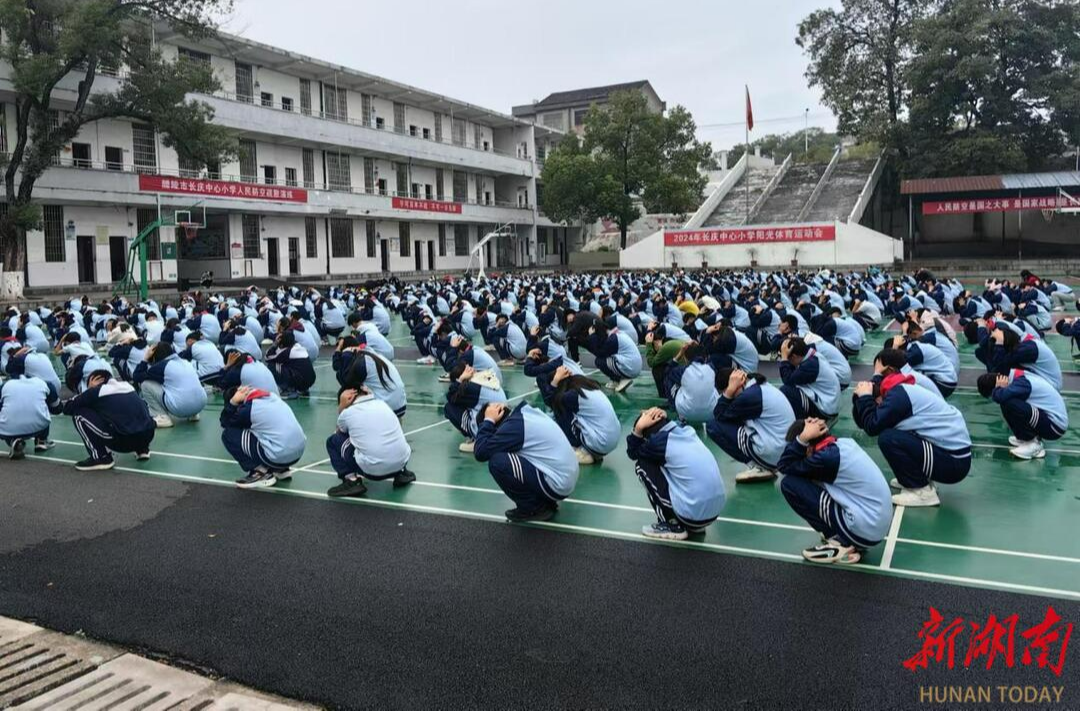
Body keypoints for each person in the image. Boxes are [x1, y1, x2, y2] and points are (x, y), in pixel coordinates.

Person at [776, 418, 892, 564]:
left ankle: (841, 542)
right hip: (874, 525)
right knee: (809, 479)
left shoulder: (826, 459)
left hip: (864, 528)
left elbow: (784, 466)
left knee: (790, 484)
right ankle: (846, 538)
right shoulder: (839, 445)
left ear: (808, 448)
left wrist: (802, 438)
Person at [852, 373, 971, 507]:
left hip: (954, 462)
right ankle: (917, 479)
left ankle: (922, 492)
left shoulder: (897, 397)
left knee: (888, 438)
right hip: (953, 457)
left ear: (878, 401)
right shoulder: (898, 390)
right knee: (895, 434)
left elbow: (872, 426)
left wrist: (864, 397)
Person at [626, 407, 726, 541]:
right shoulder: (687, 431)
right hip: (714, 512)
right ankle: (693, 524)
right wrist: (662, 416)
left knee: (641, 465)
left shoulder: (659, 442)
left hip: (694, 514)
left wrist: (638, 429)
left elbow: (633, 452)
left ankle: (671, 524)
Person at [473, 401, 579, 523]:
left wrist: (488, 420)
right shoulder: (524, 414)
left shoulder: (514, 426)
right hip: (563, 478)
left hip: (558, 484)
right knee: (513, 456)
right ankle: (544, 503)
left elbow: (480, 452)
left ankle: (533, 508)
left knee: (498, 462)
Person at [707, 367, 796, 483]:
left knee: (713, 426)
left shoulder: (749, 396)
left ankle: (758, 466)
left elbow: (719, 415)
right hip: (783, 449)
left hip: (773, 453)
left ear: (736, 384)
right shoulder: (758, 387)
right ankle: (761, 463)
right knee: (733, 419)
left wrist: (729, 392)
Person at [325, 387, 415, 497]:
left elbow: (339, 432)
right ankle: (401, 473)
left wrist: (342, 408)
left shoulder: (348, 412)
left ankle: (351, 481)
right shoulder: (382, 404)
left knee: (333, 441)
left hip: (374, 471)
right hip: (401, 462)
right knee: (384, 433)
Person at [61, 369, 156, 470]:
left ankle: (101, 457)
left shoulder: (97, 391)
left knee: (78, 415)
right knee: (129, 411)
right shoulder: (128, 386)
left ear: (95, 380)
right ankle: (142, 450)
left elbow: (67, 408)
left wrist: (89, 390)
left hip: (123, 442)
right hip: (148, 435)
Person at [220, 385, 307, 489]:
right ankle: (281, 469)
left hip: (280, 455)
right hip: (297, 453)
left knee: (228, 435)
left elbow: (225, 422)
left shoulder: (248, 409)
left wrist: (233, 402)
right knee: (263, 429)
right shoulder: (271, 396)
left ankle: (260, 473)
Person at [976, 370, 1068, 460]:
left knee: (1007, 401)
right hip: (1048, 420)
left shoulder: (1022, 383)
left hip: (1054, 426)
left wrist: (998, 389)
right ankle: (1025, 438)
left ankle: (1033, 444)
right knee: (1006, 400)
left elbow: (1000, 396)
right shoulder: (1017, 378)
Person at [544, 366, 621, 465]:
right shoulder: (587, 386)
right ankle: (591, 450)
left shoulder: (572, 395)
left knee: (560, 410)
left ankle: (581, 451)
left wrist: (554, 383)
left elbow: (551, 401)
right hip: (611, 439)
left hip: (602, 442)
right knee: (567, 411)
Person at [131, 342, 208, 428]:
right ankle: (193, 414)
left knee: (145, 384)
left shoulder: (161, 366)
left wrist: (145, 359)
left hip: (181, 407)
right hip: (201, 404)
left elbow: (136, 376)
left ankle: (162, 417)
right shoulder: (185, 362)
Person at [444, 362, 507, 452]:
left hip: (490, 429)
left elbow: (450, 397)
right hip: (503, 428)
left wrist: (460, 380)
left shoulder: (470, 387)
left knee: (449, 408)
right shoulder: (483, 378)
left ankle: (478, 439)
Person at [778, 336, 841, 420]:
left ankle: (801, 425)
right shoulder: (811, 355)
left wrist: (784, 359)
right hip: (829, 402)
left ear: (794, 357)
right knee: (793, 388)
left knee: (787, 391)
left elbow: (787, 380)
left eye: (789, 359)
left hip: (826, 410)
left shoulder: (810, 366)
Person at [0, 374, 58, 459]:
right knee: (43, 407)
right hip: (38, 426)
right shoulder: (45, 383)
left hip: (8, 428)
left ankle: (13, 441)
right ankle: (41, 440)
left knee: (6, 418)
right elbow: (57, 409)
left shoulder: (5, 385)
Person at [587, 321, 642, 393]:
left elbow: (599, 353)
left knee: (599, 361)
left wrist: (592, 336)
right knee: (605, 359)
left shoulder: (612, 339)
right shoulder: (615, 334)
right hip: (633, 366)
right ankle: (616, 381)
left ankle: (622, 380)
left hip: (631, 367)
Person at [265, 330, 317, 399]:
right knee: (289, 366)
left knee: (272, 366)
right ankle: (302, 389)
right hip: (310, 381)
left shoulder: (287, 352)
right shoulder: (299, 347)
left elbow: (267, 358)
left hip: (301, 380)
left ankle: (289, 389)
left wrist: (275, 344)